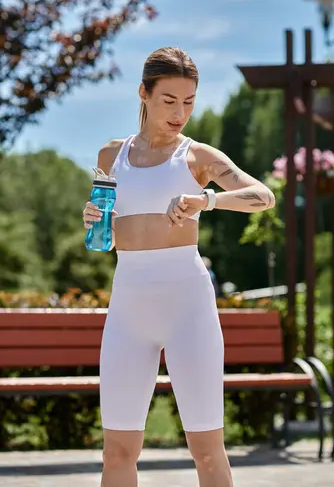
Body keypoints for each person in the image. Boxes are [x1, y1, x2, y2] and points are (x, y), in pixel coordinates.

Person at [82, 47, 275, 487]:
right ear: (144, 94)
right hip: (128, 307)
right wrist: (95, 221)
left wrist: (205, 200)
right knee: (117, 451)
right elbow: (111, 231)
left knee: (206, 450)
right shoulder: (111, 156)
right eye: (169, 101)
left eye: (189, 102)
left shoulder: (197, 157)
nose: (180, 113)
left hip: (188, 307)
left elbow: (264, 196)